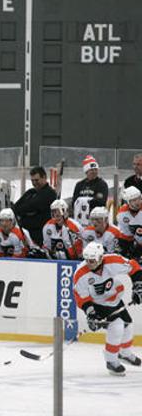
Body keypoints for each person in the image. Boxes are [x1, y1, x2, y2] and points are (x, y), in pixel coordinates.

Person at [73, 242, 142, 376]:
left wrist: (139, 286)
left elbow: (134, 267)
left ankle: (124, 353)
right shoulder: (80, 273)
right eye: (87, 260)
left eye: (92, 260)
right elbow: (81, 297)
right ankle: (111, 360)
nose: (88, 263)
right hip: (97, 303)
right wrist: (91, 313)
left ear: (100, 258)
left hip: (114, 298)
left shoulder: (113, 261)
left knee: (128, 325)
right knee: (117, 326)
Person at [13, 166, 56, 246]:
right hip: (26, 235)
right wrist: (27, 211)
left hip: (41, 236)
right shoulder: (31, 192)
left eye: (36, 180)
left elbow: (32, 206)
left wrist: (24, 212)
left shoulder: (50, 193)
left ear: (44, 177)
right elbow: (15, 208)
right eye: (32, 180)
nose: (34, 183)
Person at [72, 155, 109, 227]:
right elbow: (74, 202)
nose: (94, 172)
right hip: (80, 219)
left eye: (96, 169)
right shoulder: (79, 185)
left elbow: (101, 202)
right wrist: (89, 200)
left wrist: (85, 201)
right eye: (91, 170)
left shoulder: (102, 184)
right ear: (86, 171)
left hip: (97, 218)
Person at [116, 186, 142, 260]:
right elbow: (125, 234)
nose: (137, 202)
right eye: (134, 200)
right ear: (128, 201)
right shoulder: (122, 213)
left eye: (139, 198)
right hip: (129, 240)